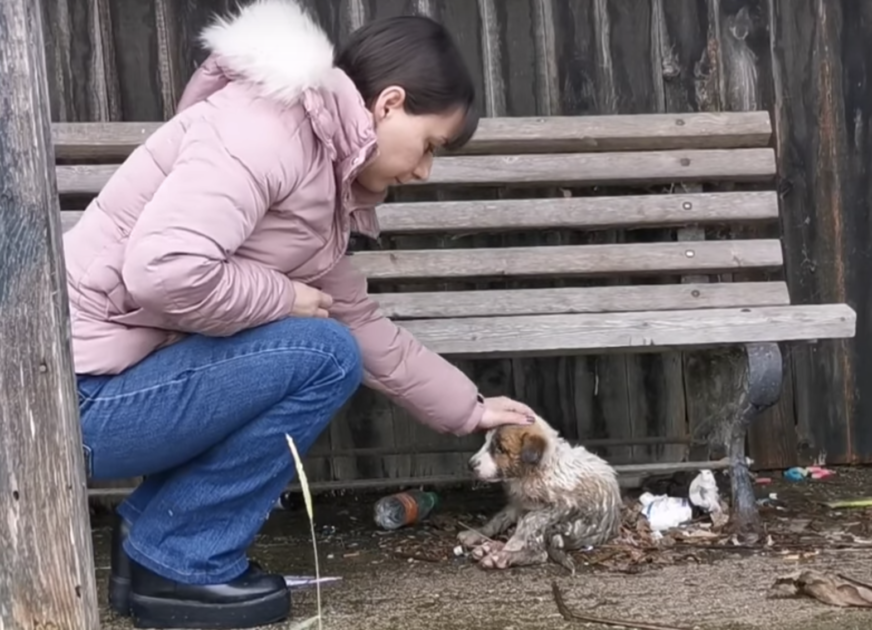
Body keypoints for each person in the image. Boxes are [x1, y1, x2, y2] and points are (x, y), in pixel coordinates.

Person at [65, 1, 535, 627]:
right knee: (321, 354)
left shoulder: (318, 172)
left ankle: (158, 549)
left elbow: (358, 319)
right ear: (389, 104)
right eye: (429, 146)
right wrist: (284, 297)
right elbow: (164, 271)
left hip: (98, 392)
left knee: (328, 343)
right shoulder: (265, 132)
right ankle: (180, 560)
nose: (424, 170)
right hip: (68, 407)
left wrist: (468, 408)